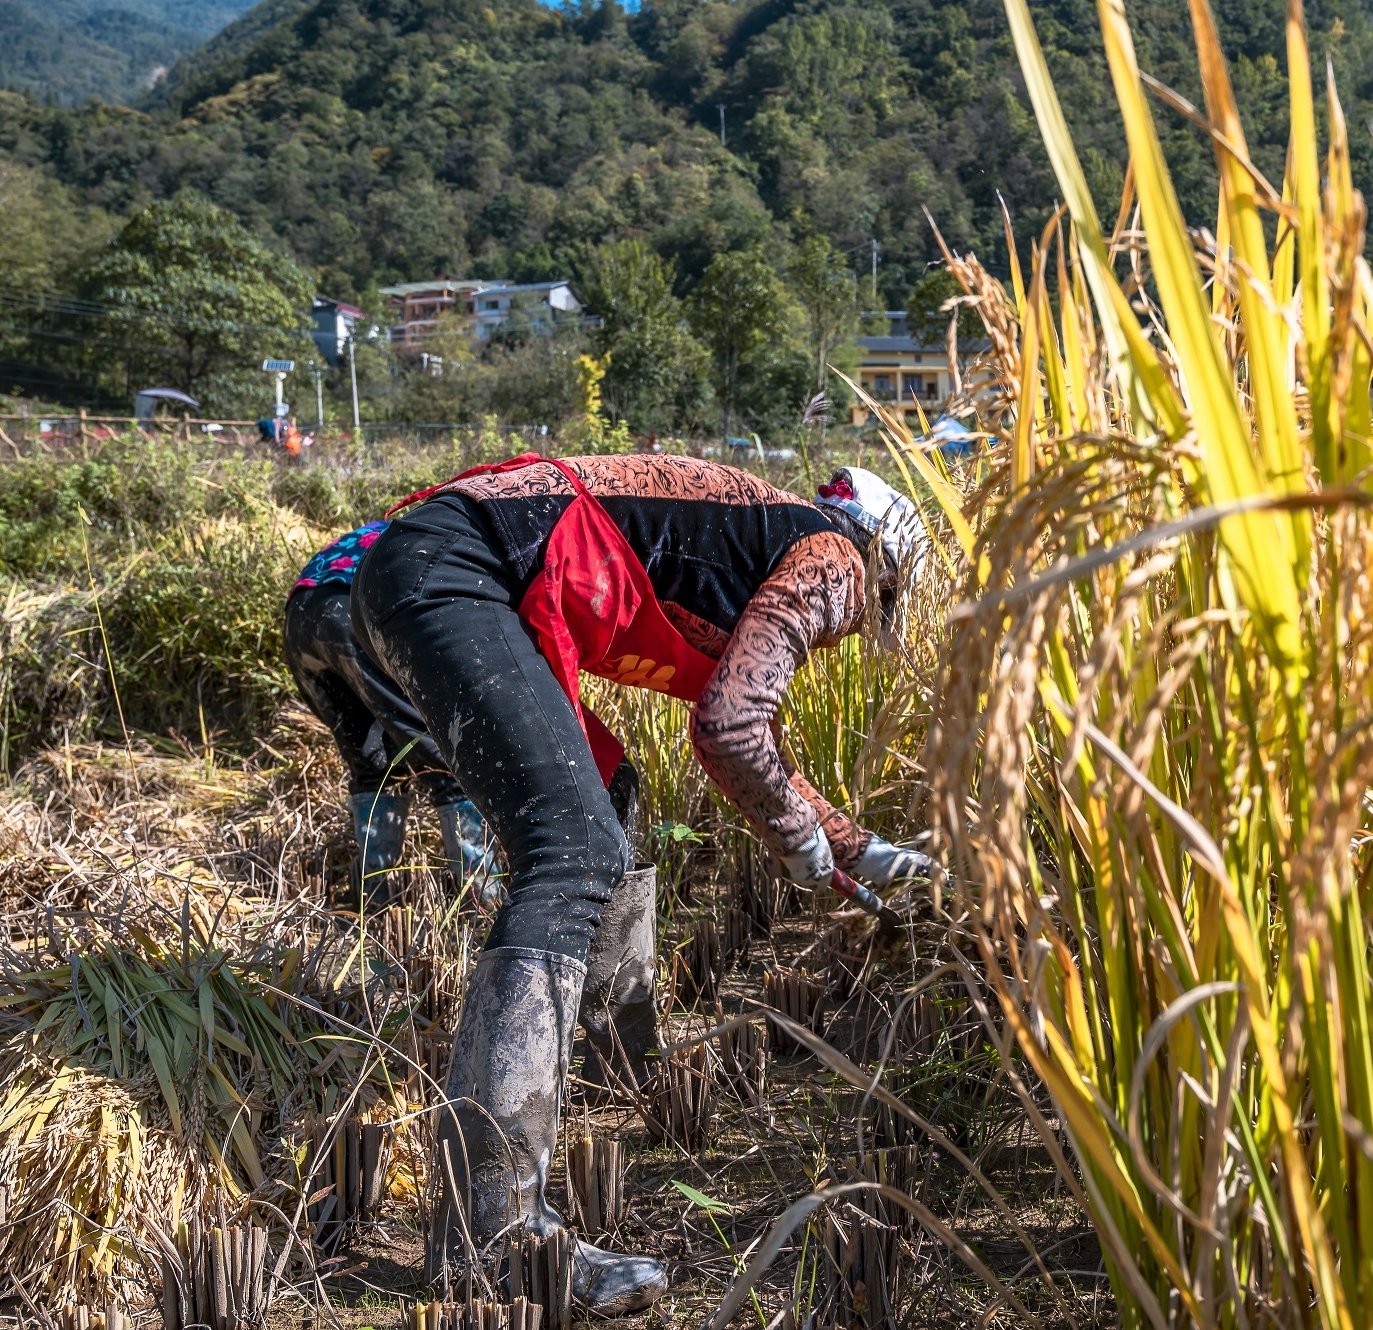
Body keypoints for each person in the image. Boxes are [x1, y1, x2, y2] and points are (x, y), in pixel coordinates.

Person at [349, 453, 936, 1315]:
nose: (854, 627)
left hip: (434, 565)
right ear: (887, 564)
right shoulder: (837, 560)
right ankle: (493, 1235)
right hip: (456, 572)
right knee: (573, 851)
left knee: (610, 801)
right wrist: (795, 835)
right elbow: (733, 729)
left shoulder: (784, 539)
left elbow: (742, 742)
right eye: (878, 611)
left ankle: (620, 1063)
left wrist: (860, 847)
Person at [284, 523, 500, 907]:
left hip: (300, 618)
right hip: (351, 609)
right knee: (443, 759)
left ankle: (373, 907)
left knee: (373, 764)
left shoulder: (387, 529)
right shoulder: (445, 535)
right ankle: (486, 904)